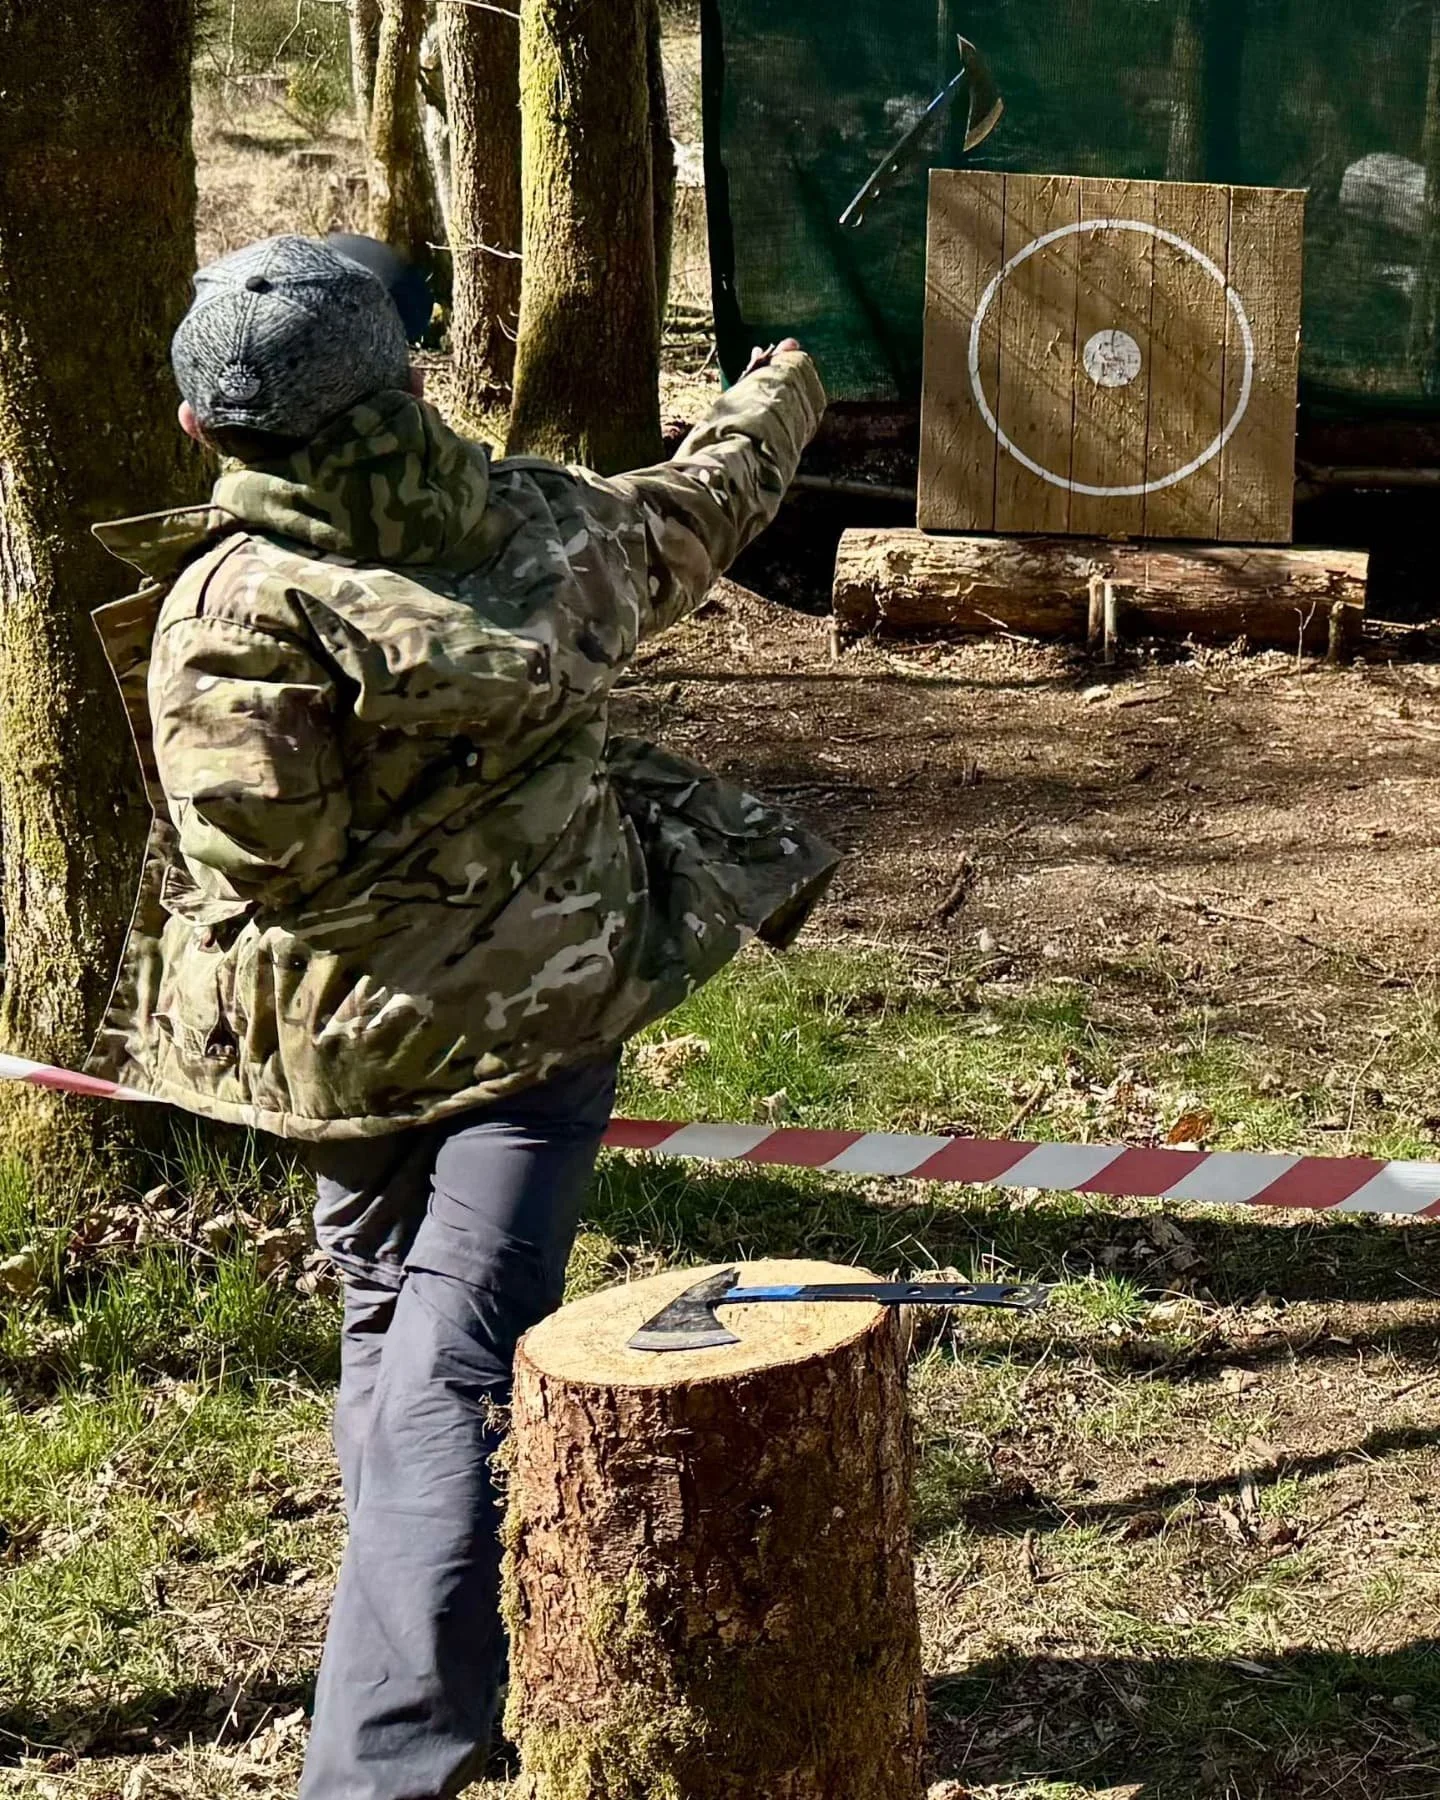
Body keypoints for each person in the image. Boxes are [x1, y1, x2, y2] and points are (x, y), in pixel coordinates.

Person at [89, 234, 836, 1800]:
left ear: (204, 432)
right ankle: (401, 1733)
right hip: (543, 1023)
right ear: (404, 387)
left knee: (398, 1328)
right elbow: (706, 503)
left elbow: (256, 854)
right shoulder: (553, 523)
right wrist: (778, 396)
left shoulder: (235, 605)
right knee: (450, 1356)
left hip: (336, 1050)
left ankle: (397, 1723)